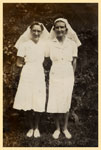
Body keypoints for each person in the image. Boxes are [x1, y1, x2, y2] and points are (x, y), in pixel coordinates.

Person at [46, 18, 81, 139]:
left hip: (67, 73)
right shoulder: (50, 43)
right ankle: (57, 128)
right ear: (54, 29)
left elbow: (74, 61)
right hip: (55, 73)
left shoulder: (72, 44)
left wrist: (71, 75)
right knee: (55, 100)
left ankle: (65, 128)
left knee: (66, 101)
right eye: (57, 27)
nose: (60, 29)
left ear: (66, 29)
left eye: (62, 27)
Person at [13, 21, 49, 138]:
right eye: (34, 30)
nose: (36, 33)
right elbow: (19, 62)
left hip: (39, 73)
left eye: (39, 31)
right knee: (27, 100)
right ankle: (30, 127)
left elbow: (48, 59)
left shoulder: (44, 44)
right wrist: (26, 66)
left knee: (38, 100)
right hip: (27, 73)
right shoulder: (24, 44)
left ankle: (37, 127)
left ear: (42, 32)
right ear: (30, 31)